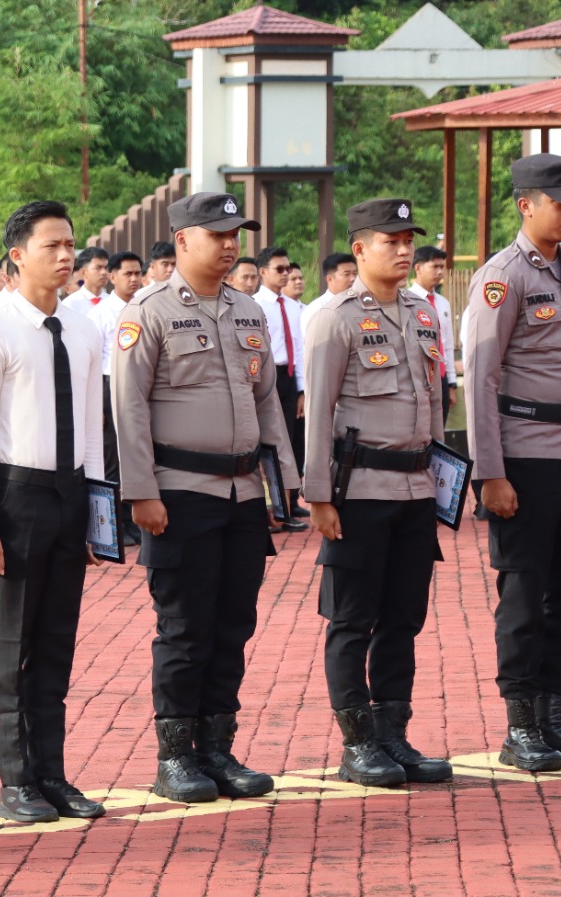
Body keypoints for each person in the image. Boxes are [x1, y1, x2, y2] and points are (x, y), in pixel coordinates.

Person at [113, 191, 298, 805]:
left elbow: (268, 398)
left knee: (232, 625)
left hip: (242, 491)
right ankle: (175, 756)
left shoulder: (248, 310)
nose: (228, 245)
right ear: (184, 239)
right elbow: (128, 406)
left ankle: (217, 748)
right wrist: (140, 492)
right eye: (216, 234)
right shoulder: (150, 311)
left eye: (234, 235)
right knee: (185, 627)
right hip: (179, 492)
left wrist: (285, 481)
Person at [464, 152, 561, 772]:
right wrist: (489, 472)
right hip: (525, 455)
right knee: (525, 594)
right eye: (560, 202)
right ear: (526, 205)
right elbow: (480, 377)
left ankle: (554, 719)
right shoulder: (502, 277)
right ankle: (519, 724)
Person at [0, 201, 106, 823]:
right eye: (52, 245)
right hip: (17, 498)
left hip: (71, 495)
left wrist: (99, 505)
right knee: (11, 642)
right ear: (18, 255)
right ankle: (16, 780)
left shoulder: (83, 326)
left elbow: (94, 426)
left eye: (70, 243)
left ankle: (53, 774)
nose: (66, 255)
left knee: (57, 641)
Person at [302, 199, 451, 788]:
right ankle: (358, 742)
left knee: (403, 619)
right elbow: (318, 410)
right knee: (352, 618)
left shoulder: (422, 312)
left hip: (416, 488)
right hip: (359, 490)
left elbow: (435, 401)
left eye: (409, 238)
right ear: (360, 249)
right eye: (391, 240)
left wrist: (444, 478)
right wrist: (318, 494)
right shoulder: (334, 317)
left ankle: (393, 733)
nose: (405, 248)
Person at [88, 251, 143, 546]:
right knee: (112, 458)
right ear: (112, 277)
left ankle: (134, 520)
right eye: (127, 274)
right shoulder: (100, 314)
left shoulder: (145, 307)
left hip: (139, 387)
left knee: (136, 454)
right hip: (109, 387)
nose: (134, 279)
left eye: (138, 273)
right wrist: (96, 405)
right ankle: (116, 526)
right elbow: (92, 362)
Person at [253, 247, 310, 524]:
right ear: (262, 272)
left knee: (290, 439)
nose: (287, 274)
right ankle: (275, 507)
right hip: (267, 376)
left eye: (288, 268)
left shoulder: (292, 306)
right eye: (280, 269)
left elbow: (298, 350)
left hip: (288, 376)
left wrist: (301, 389)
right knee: (271, 444)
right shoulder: (255, 305)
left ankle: (289, 501)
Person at [407, 246, 459, 424]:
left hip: (441, 377)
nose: (440, 272)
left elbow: (448, 344)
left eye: (442, 267)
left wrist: (451, 383)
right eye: (434, 267)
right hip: (419, 378)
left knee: (439, 430)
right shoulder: (406, 300)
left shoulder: (443, 303)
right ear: (418, 268)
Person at [300, 253, 358, 335]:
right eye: (346, 274)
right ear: (330, 279)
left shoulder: (361, 304)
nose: (353, 279)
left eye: (355, 274)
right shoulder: (317, 309)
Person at [62, 247, 110, 315]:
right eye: (98, 268)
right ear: (83, 272)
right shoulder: (69, 305)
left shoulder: (113, 302)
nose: (104, 272)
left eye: (106, 268)